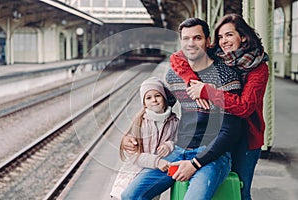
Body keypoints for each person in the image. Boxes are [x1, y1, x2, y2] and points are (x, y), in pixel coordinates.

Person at [121, 18, 245, 200]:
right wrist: (130, 135)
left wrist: (194, 164)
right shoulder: (174, 75)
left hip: (213, 156)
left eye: (197, 38)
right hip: (179, 151)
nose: (191, 44)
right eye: (186, 39)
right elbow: (156, 106)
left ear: (208, 41)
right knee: (130, 196)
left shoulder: (226, 76)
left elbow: (230, 131)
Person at [171, 14, 269, 200]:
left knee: (239, 190)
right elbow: (177, 58)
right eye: (221, 36)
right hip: (220, 135)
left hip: (246, 139)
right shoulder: (218, 55)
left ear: (244, 37)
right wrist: (191, 81)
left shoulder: (258, 67)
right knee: (216, 188)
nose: (224, 41)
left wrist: (206, 91)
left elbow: (245, 107)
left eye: (229, 35)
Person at [110, 77, 179, 199]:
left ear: (164, 97)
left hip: (155, 174)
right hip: (134, 174)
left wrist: (170, 145)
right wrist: (156, 161)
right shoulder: (140, 123)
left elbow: (179, 143)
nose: (154, 100)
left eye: (157, 95)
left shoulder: (174, 122)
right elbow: (133, 155)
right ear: (144, 103)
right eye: (148, 97)